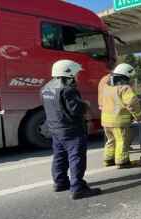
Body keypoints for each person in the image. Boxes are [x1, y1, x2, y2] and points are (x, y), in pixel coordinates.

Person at [41, 59, 101, 200]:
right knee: (76, 158)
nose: (77, 77)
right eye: (76, 74)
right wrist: (84, 104)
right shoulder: (68, 90)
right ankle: (78, 188)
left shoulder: (46, 88)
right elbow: (76, 110)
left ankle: (60, 182)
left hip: (56, 129)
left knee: (59, 156)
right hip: (71, 129)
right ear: (68, 74)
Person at [100, 63, 141, 168]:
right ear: (125, 75)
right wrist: (138, 116)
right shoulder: (124, 88)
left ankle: (108, 159)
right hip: (119, 121)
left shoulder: (106, 87)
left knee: (111, 140)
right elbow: (132, 103)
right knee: (122, 141)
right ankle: (122, 161)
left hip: (106, 121)